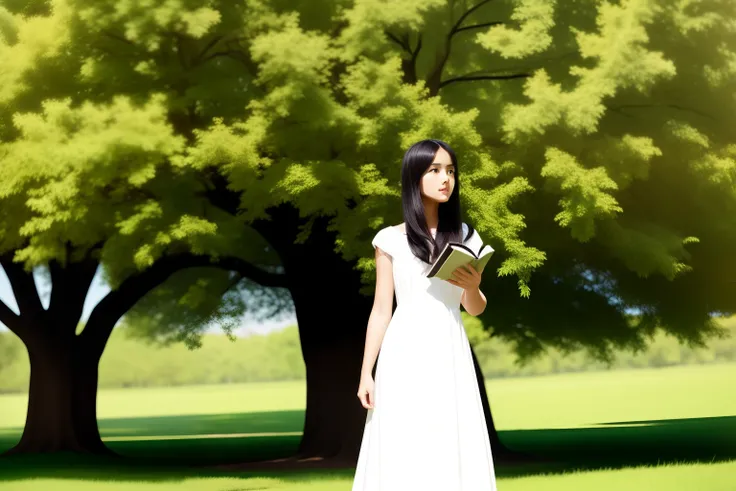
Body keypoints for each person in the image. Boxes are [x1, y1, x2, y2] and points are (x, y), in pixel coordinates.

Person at [351, 139, 498, 490]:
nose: (445, 178)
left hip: (449, 345)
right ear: (414, 177)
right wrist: (366, 373)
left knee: (451, 435)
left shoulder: (464, 235)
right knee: (404, 438)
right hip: (403, 350)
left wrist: (473, 285)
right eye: (434, 170)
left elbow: (473, 308)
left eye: (450, 170)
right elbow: (382, 310)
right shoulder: (388, 240)